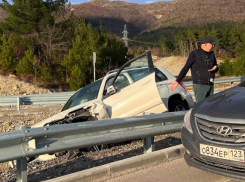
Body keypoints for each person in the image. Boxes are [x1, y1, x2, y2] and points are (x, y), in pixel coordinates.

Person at [170, 36, 219, 103]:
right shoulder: (195, 53)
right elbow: (186, 67)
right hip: (200, 85)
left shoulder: (212, 54)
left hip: (210, 84)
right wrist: (177, 81)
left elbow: (215, 65)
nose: (213, 46)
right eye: (211, 44)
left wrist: (216, 67)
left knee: (210, 106)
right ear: (205, 44)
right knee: (201, 106)